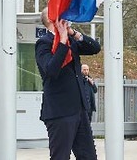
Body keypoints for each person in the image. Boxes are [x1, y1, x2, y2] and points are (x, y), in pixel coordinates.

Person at [36, 9, 101, 160]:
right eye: (63, 17)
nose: (67, 19)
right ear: (54, 21)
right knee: (61, 157)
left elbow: (95, 48)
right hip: (60, 112)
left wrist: (72, 33)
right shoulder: (43, 43)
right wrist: (62, 42)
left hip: (79, 111)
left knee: (88, 156)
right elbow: (51, 70)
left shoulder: (72, 41)